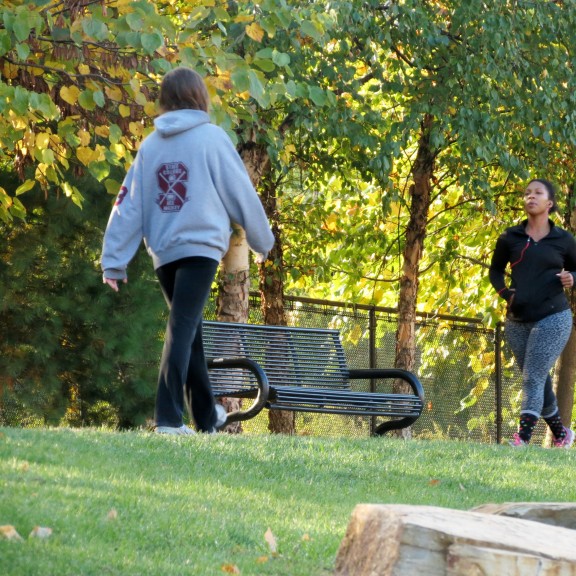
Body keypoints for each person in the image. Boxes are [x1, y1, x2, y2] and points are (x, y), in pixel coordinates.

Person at [101, 67, 275, 435]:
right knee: (182, 329)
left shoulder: (150, 145)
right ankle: (167, 418)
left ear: (164, 100)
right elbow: (240, 192)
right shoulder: (212, 138)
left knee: (189, 332)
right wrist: (262, 240)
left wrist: (114, 260)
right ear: (200, 97)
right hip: (200, 249)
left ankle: (207, 418)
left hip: (164, 252)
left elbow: (126, 204)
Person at [489, 178, 576, 448]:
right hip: (517, 320)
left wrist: (572, 277)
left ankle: (522, 438)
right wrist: (505, 293)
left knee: (533, 377)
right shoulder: (510, 237)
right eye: (527, 193)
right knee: (538, 376)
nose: (531, 197)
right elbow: (494, 271)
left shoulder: (563, 239)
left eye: (537, 193)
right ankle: (562, 435)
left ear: (549, 203)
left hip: (554, 316)